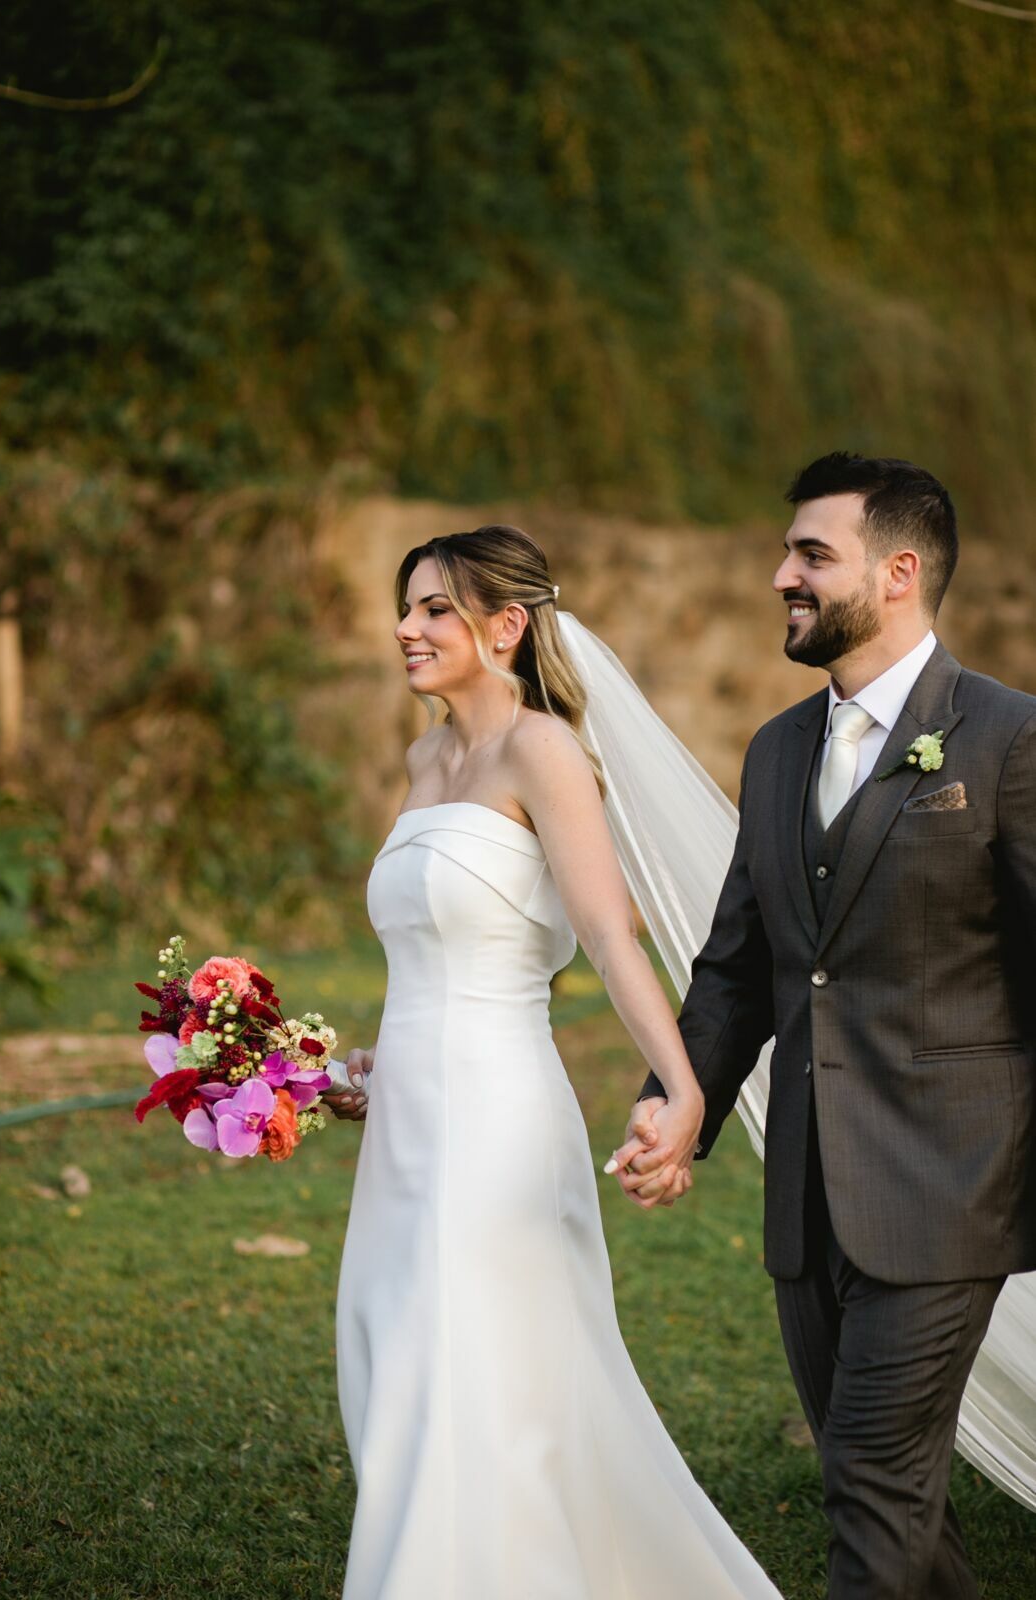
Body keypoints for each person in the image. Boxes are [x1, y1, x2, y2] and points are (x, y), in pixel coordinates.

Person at [327, 525, 781, 1599]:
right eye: (408, 607)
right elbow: (438, 953)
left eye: (435, 608)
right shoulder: (424, 759)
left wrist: (682, 1089)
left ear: (505, 626)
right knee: (398, 1356)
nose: (406, 627)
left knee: (472, 1368)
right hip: (405, 1124)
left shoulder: (542, 751)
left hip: (494, 1120)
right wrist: (365, 1069)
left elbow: (611, 935)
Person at [615, 453, 1036, 1599]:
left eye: (809, 554)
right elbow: (740, 970)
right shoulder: (775, 750)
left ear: (897, 572)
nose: (777, 575)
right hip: (803, 1197)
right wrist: (674, 1101)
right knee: (898, 1495)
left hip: (952, 1186)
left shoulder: (1006, 740)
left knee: (865, 1478)